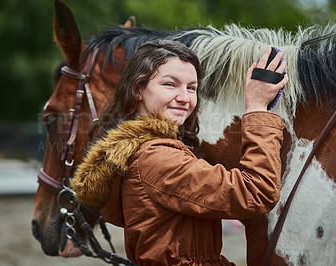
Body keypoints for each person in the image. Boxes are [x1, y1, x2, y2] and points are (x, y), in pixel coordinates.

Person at [70, 40, 288, 265]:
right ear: (137, 90)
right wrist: (257, 108)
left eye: (191, 87)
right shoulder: (156, 158)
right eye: (170, 84)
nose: (185, 98)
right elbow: (256, 191)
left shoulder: (143, 151)